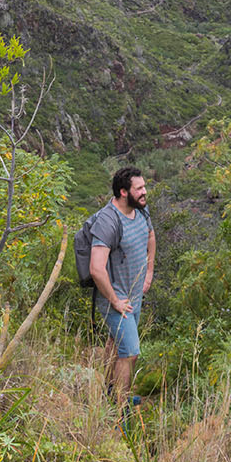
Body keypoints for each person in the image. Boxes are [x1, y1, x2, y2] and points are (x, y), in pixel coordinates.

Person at [88, 165, 155, 407]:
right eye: (139, 188)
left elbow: (150, 236)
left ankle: (108, 393)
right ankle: (121, 407)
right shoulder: (108, 221)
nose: (144, 191)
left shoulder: (141, 210)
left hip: (134, 295)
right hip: (116, 301)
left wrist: (149, 272)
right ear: (124, 192)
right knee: (130, 352)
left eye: (144, 186)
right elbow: (96, 268)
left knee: (115, 345)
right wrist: (115, 301)